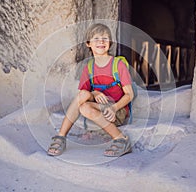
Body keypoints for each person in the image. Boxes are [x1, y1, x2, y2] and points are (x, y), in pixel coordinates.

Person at [47, 23, 134, 157]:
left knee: (85, 107)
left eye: (105, 38)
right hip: (99, 107)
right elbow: (83, 94)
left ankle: (121, 139)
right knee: (83, 102)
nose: (101, 41)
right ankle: (61, 137)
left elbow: (129, 95)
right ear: (88, 43)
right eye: (96, 38)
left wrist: (114, 108)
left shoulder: (118, 65)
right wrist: (95, 93)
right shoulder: (89, 67)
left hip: (117, 110)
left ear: (110, 43)